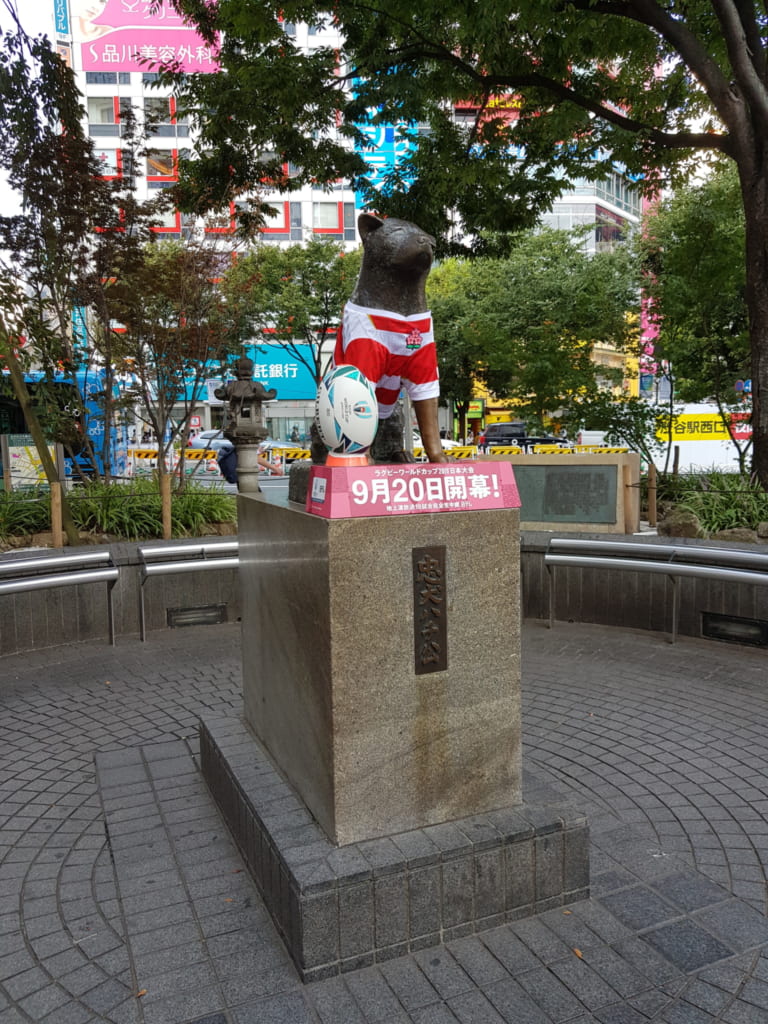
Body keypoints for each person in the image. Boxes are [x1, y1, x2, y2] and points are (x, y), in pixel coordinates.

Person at [216, 443, 284, 485]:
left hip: (241, 472)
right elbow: (254, 457)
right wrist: (275, 468)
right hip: (246, 475)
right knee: (253, 495)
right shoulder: (247, 440)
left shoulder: (240, 441)